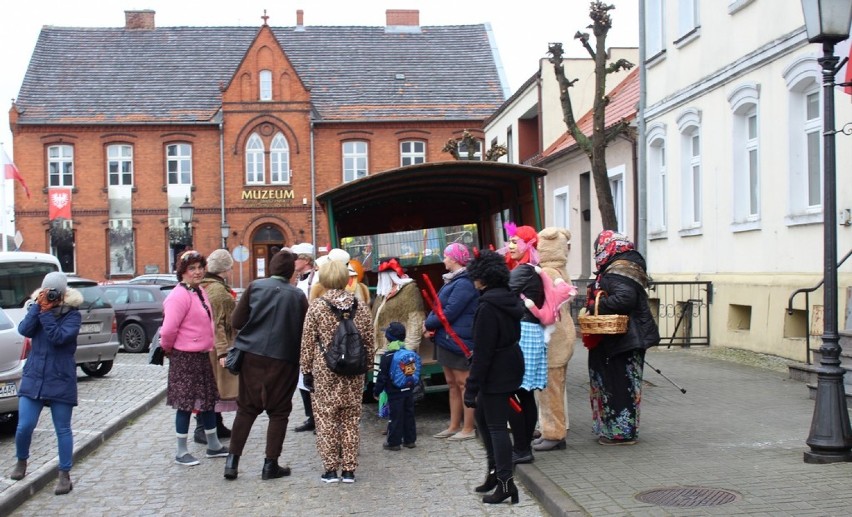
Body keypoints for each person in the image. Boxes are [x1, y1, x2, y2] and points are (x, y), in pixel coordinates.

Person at [224, 249, 308, 480]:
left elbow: (237, 321)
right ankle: (270, 465)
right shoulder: (297, 296)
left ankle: (232, 462)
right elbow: (305, 331)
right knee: (279, 411)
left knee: (246, 408)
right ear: (291, 271)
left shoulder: (255, 287)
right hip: (283, 358)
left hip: (252, 355)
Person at [300, 260, 375, 483]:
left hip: (325, 370)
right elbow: (368, 340)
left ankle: (331, 469)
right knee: (351, 419)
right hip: (353, 370)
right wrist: (367, 366)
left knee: (326, 419)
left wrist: (306, 370)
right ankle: (350, 469)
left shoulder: (317, 307)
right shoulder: (360, 306)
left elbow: (307, 342)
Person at [584, 230, 660, 445]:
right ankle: (614, 429)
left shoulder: (619, 270)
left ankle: (621, 433)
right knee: (618, 384)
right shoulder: (622, 266)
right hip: (621, 339)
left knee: (619, 386)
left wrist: (593, 306)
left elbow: (624, 300)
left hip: (624, 340)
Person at [9, 272, 82, 495]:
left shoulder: (73, 315)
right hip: (34, 376)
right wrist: (36, 308)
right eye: (45, 291)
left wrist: (46, 313)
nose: (49, 296)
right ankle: (22, 461)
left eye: (53, 292)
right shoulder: (37, 308)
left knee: (62, 429)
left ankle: (64, 475)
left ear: (62, 293)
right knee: (24, 426)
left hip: (60, 377)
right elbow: (24, 330)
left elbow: (58, 338)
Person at [463, 250, 525, 505]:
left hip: (496, 371)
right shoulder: (506, 299)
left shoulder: (488, 306)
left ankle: (505, 483)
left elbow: (484, 353)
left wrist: (471, 386)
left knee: (497, 427)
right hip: (508, 364)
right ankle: (493, 473)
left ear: (483, 277)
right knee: (483, 419)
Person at [159, 250, 229, 466]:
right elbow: (169, 330)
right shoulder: (178, 296)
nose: (198, 272)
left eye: (200, 267)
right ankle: (181, 451)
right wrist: (169, 349)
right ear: (183, 272)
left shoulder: (199, 291)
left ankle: (213, 444)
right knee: (186, 404)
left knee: (208, 401)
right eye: (192, 269)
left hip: (201, 355)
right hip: (185, 356)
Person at [423, 242, 479, 441]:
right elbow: (439, 306)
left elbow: (450, 311)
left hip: (459, 340)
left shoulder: (463, 282)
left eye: (446, 256)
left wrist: (429, 323)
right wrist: (431, 324)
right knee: (452, 383)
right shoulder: (453, 280)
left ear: (455, 259)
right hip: (447, 339)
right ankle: (454, 425)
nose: (444, 259)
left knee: (464, 384)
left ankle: (469, 427)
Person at [504, 223, 545, 465]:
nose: (510, 245)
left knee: (516, 392)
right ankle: (523, 446)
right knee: (525, 394)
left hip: (524, 332)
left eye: (515, 241)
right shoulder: (530, 269)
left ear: (527, 245)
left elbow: (504, 296)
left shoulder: (522, 271)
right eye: (509, 241)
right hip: (531, 331)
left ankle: (521, 447)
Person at [532, 227, 576, 452]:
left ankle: (554, 433)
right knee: (552, 387)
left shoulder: (547, 272)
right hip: (561, 334)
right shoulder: (559, 269)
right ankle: (552, 432)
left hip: (554, 337)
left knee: (550, 389)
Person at [194, 248, 237, 444]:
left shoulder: (205, 285)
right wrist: (224, 349)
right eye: (230, 268)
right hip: (216, 345)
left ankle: (216, 424)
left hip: (207, 344)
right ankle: (202, 427)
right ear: (224, 269)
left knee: (211, 386)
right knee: (212, 386)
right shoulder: (218, 291)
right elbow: (221, 322)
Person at [373, 322, 417, 450]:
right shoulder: (408, 353)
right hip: (408, 389)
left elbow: (382, 377)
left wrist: (377, 391)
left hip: (394, 392)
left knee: (395, 417)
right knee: (409, 415)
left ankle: (393, 442)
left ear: (388, 338)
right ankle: (410, 440)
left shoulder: (387, 356)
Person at [291, 242, 317, 433]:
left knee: (312, 377)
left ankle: (318, 416)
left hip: (312, 336)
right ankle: (310, 416)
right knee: (301, 378)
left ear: (306, 260)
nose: (293, 262)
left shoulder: (316, 280)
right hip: (299, 334)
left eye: (296, 258)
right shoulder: (298, 279)